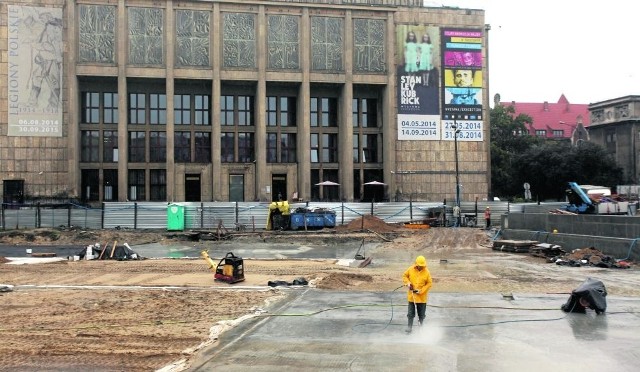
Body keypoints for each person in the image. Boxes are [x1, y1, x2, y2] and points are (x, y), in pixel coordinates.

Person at [402, 255, 433, 333]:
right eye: (419, 266)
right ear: (416, 264)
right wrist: (408, 283)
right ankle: (409, 328)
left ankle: (421, 328)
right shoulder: (410, 269)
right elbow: (405, 276)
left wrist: (421, 291)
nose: (421, 267)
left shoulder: (427, 272)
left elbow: (429, 283)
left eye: (422, 266)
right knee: (410, 313)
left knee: (421, 315)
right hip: (412, 297)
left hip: (422, 298)